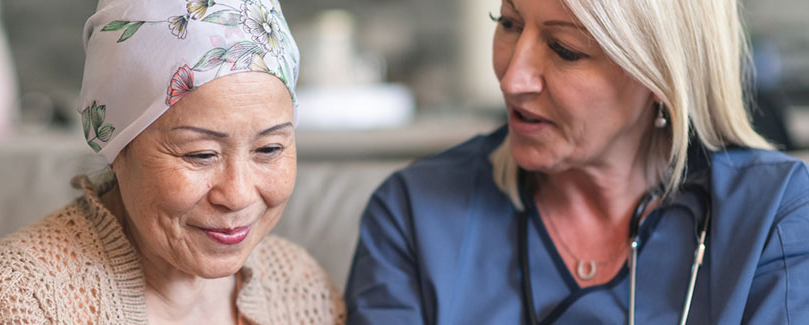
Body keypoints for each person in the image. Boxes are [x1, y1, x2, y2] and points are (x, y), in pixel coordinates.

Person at [345, 0, 809, 323]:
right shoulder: (412, 214)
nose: (512, 78)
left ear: (661, 73)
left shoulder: (775, 217)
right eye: (507, 22)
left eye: (565, 49)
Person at [0, 0, 346, 323]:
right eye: (201, 154)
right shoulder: (23, 300)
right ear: (118, 149)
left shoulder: (301, 290)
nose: (239, 195)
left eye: (269, 149)